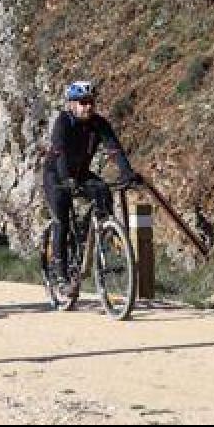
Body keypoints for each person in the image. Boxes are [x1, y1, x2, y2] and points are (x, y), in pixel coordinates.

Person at [43, 80, 140, 294]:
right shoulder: (63, 122)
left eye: (91, 102)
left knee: (103, 190)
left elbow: (114, 150)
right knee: (62, 218)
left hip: (80, 173)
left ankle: (102, 234)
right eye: (83, 102)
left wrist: (127, 173)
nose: (88, 106)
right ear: (71, 104)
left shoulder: (99, 124)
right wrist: (66, 179)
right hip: (56, 174)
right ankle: (60, 276)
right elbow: (58, 153)